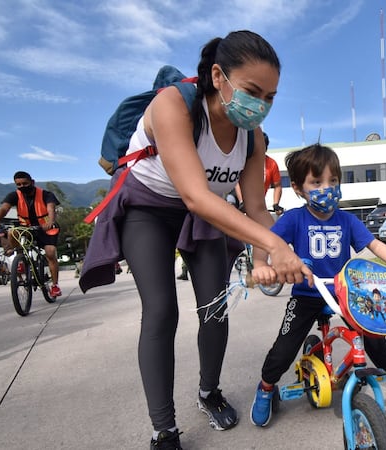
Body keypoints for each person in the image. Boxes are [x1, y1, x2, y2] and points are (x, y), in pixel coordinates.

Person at [77, 30, 312, 450]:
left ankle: (209, 391)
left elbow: (256, 209)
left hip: (201, 212)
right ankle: (163, 430)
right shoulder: (172, 104)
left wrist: (265, 256)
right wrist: (274, 245)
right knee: (162, 310)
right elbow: (196, 195)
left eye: (271, 97)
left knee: (215, 308)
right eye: (253, 91)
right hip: (148, 208)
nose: (261, 105)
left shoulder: (252, 136)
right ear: (218, 76)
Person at [249, 144, 386, 430]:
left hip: (345, 292)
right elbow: (264, 240)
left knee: (375, 338)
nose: (327, 188)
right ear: (297, 188)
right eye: (317, 182)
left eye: (333, 181)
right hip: (308, 292)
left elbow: (376, 244)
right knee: (284, 350)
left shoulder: (346, 219)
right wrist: (260, 264)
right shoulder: (294, 218)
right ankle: (266, 388)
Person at [0, 171, 62, 297]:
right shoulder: (14, 196)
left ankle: (55, 286)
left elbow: (51, 208)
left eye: (25, 183)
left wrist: (50, 222)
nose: (22, 186)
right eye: (19, 184)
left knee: (50, 252)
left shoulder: (46, 194)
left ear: (32, 182)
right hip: (26, 228)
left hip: (45, 228)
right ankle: (20, 260)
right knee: (13, 232)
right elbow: (4, 209)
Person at [234, 132, 284, 216]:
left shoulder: (271, 164)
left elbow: (277, 186)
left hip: (256, 202)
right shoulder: (242, 160)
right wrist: (242, 201)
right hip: (236, 195)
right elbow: (236, 182)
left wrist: (276, 204)